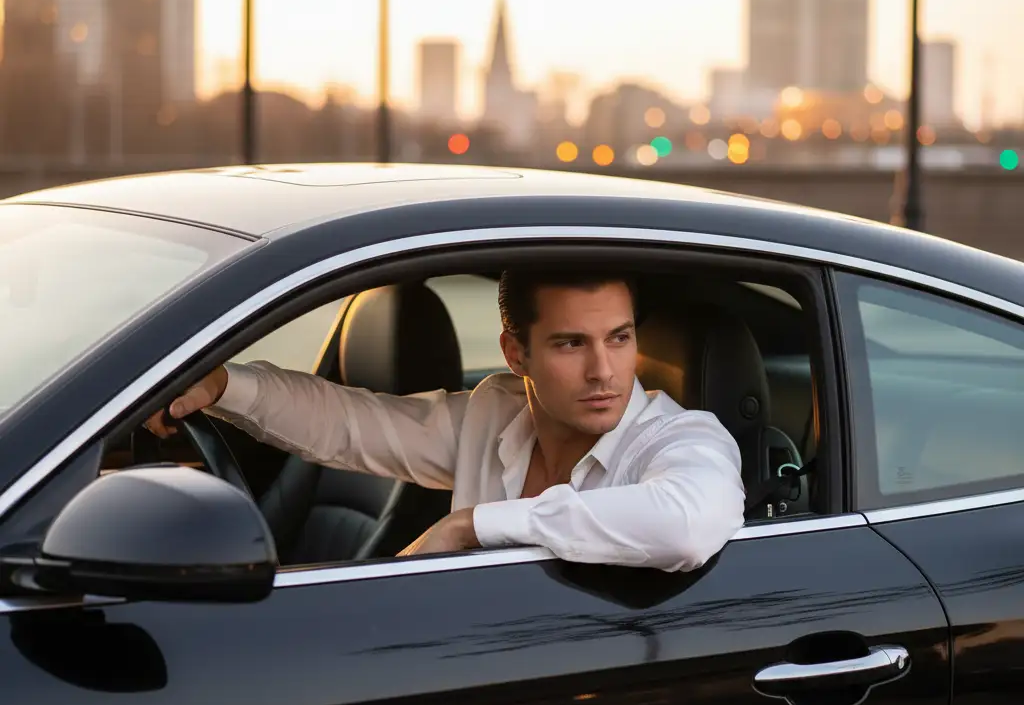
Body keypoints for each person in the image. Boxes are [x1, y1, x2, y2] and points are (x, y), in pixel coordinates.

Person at [145, 269, 745, 571]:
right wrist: (224, 384)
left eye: (618, 338)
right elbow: (352, 423)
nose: (603, 371)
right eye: (570, 344)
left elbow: (685, 526)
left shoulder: (683, 438)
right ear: (517, 354)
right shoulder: (494, 414)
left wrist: (469, 527)